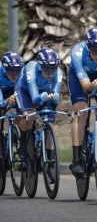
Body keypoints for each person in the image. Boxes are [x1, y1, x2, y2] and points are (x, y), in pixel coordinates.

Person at [68, 27, 97, 176]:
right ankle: (76, 160)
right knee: (81, 113)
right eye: (94, 51)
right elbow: (85, 86)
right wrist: (91, 84)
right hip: (79, 78)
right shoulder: (77, 52)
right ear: (87, 47)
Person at [14, 47, 63, 182]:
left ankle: (51, 161)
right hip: (25, 91)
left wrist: (55, 97)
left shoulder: (58, 72)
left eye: (53, 70)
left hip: (44, 94)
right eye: (47, 70)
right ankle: (22, 141)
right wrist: (42, 97)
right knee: (29, 116)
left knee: (50, 122)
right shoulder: (30, 69)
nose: (50, 73)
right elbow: (35, 97)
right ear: (40, 66)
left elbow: (56, 95)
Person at [0, 51, 24, 129]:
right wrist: (5, 102)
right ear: (4, 69)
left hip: (13, 91)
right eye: (11, 71)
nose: (14, 75)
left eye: (17, 71)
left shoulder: (23, 72)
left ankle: (17, 133)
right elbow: (2, 103)